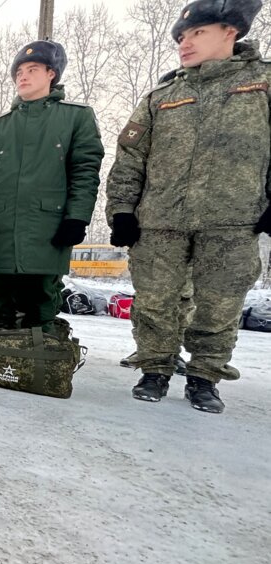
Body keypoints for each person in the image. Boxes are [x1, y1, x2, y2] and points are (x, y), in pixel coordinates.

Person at [106, 0, 269, 413]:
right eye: (181, 37)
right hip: (160, 222)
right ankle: (155, 369)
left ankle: (204, 377)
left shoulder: (263, 84)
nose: (185, 43)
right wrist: (122, 211)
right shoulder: (162, 96)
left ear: (230, 31)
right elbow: (130, 158)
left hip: (233, 222)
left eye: (197, 33)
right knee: (154, 302)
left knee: (220, 305)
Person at [0, 40, 105, 335]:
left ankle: (38, 354)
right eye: (19, 72)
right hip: (0, 230)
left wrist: (77, 218)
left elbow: (85, 172)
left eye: (32, 69)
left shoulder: (75, 117)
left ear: (51, 73)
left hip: (48, 229)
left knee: (39, 315)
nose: (23, 77)